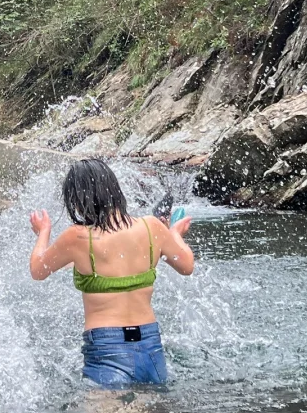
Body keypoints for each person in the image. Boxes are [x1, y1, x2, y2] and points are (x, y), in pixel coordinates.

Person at [28, 158, 194, 388]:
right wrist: (174, 233)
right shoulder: (152, 226)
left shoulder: (77, 236)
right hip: (150, 344)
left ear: (77, 200)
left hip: (107, 347)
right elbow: (186, 266)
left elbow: (38, 270)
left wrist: (43, 232)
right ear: (114, 189)